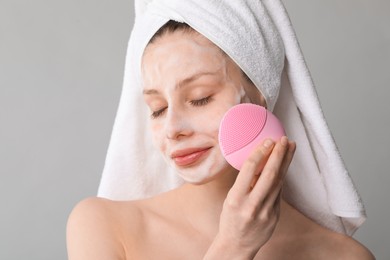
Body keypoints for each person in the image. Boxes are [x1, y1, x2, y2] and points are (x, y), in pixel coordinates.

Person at [67, 1, 374, 259]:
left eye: (200, 98)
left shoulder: (342, 255)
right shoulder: (104, 226)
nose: (172, 129)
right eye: (158, 108)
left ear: (260, 94)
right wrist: (234, 247)